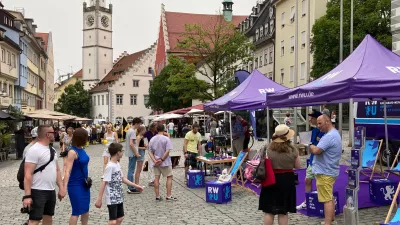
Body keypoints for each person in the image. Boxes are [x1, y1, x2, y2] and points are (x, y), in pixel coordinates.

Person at [23, 125, 66, 225]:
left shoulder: (52, 150)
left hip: (50, 190)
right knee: (34, 220)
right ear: (47, 134)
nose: (55, 134)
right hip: (38, 190)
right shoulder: (34, 150)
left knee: (48, 218)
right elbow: (27, 174)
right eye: (53, 132)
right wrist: (27, 196)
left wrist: (61, 187)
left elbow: (57, 170)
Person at [258, 124, 301, 225]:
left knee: (269, 211)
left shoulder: (267, 148)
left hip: (271, 179)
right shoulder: (293, 149)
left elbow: (262, 162)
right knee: (283, 211)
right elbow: (298, 166)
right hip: (287, 180)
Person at [95, 143, 144, 225]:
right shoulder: (110, 166)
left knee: (120, 218)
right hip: (112, 198)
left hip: (119, 196)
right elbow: (104, 182)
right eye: (122, 151)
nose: (123, 152)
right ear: (118, 152)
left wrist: (136, 185)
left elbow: (122, 178)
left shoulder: (117, 164)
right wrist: (99, 199)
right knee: (113, 221)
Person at [310, 115, 342, 225]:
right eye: (317, 123)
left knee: (326, 199)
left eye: (320, 123)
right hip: (329, 170)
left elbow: (317, 150)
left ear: (327, 122)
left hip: (325, 171)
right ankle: (331, 219)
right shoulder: (334, 133)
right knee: (329, 196)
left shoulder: (329, 136)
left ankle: (328, 223)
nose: (318, 126)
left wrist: (311, 146)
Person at [296, 110, 325, 210]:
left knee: (320, 183)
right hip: (313, 160)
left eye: (311, 118)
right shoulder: (314, 131)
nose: (309, 120)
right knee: (307, 180)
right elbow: (310, 144)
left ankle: (321, 202)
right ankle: (307, 201)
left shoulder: (325, 132)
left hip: (321, 162)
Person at [63, 128, 90, 225]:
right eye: (86, 137)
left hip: (84, 184)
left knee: (86, 210)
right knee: (76, 211)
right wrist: (64, 187)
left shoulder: (82, 149)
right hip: (75, 184)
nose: (88, 139)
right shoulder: (72, 152)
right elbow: (67, 171)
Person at [148, 124, 177, 201]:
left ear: (156, 129)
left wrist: (154, 160)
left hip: (156, 162)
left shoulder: (152, 139)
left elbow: (150, 151)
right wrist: (162, 159)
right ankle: (168, 195)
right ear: (164, 129)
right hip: (165, 162)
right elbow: (168, 150)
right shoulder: (166, 139)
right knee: (169, 177)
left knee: (156, 178)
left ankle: (157, 196)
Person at [125, 117, 143, 194]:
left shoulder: (129, 130)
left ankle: (130, 186)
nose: (139, 126)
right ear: (136, 123)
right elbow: (132, 144)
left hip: (130, 153)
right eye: (139, 124)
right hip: (132, 153)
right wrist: (136, 153)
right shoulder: (132, 131)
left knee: (130, 169)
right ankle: (131, 187)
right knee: (131, 170)